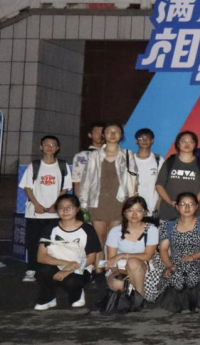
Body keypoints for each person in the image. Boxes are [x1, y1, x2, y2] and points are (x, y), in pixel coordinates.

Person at [80, 122, 139, 276]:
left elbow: (133, 179)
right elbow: (86, 180)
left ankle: (111, 271)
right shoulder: (94, 155)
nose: (112, 134)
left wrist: (132, 202)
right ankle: (99, 271)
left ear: (121, 135)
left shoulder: (127, 155)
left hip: (119, 201)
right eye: (109, 131)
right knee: (99, 239)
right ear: (103, 135)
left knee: (114, 238)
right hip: (97, 201)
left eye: (116, 131)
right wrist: (83, 203)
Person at [144, 192, 200, 312]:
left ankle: (193, 302)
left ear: (196, 206)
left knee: (189, 269)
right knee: (175, 272)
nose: (187, 207)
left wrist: (193, 256)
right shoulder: (168, 225)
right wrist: (169, 265)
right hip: (174, 261)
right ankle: (178, 303)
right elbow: (163, 249)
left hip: (198, 260)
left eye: (191, 204)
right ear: (177, 206)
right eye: (183, 204)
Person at [33, 194, 101, 311]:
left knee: (71, 281)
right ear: (56, 210)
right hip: (57, 263)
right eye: (61, 207)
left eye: (70, 207)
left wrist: (68, 270)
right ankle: (48, 298)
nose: (65, 210)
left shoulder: (87, 229)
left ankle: (77, 294)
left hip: (81, 266)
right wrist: (67, 263)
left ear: (77, 209)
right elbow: (41, 257)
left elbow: (91, 258)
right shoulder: (50, 228)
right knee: (43, 270)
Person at [20, 135, 72, 283]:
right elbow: (27, 187)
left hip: (55, 214)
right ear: (41, 147)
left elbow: (65, 188)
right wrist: (37, 204)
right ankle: (31, 269)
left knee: (54, 243)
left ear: (58, 148)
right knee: (33, 242)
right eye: (46, 145)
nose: (50, 147)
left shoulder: (62, 166)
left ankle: (52, 269)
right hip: (35, 213)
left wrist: (55, 205)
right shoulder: (34, 166)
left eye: (53, 145)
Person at [105, 196, 159, 298]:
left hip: (142, 266)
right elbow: (111, 260)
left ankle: (139, 296)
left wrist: (122, 255)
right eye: (130, 210)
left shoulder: (152, 230)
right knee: (118, 282)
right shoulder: (115, 231)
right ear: (124, 213)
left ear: (145, 212)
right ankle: (130, 293)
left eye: (139, 210)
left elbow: (147, 256)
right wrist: (117, 272)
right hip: (119, 267)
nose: (134, 214)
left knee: (133, 262)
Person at [155, 131, 200, 222]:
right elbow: (159, 185)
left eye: (191, 142)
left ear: (195, 144)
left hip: (192, 213)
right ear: (178, 144)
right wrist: (171, 202)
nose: (187, 144)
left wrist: (191, 204)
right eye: (183, 141)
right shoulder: (170, 162)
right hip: (168, 211)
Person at [132, 128, 164, 221]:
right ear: (136, 141)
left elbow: (163, 184)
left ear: (152, 141)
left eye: (147, 138)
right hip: (133, 207)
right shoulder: (130, 159)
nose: (144, 141)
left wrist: (158, 204)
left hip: (153, 207)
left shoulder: (158, 160)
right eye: (141, 138)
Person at [72, 122, 104, 198]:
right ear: (90, 135)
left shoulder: (114, 155)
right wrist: (79, 200)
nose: (100, 135)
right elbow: (77, 180)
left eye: (102, 133)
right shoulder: (81, 156)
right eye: (96, 132)